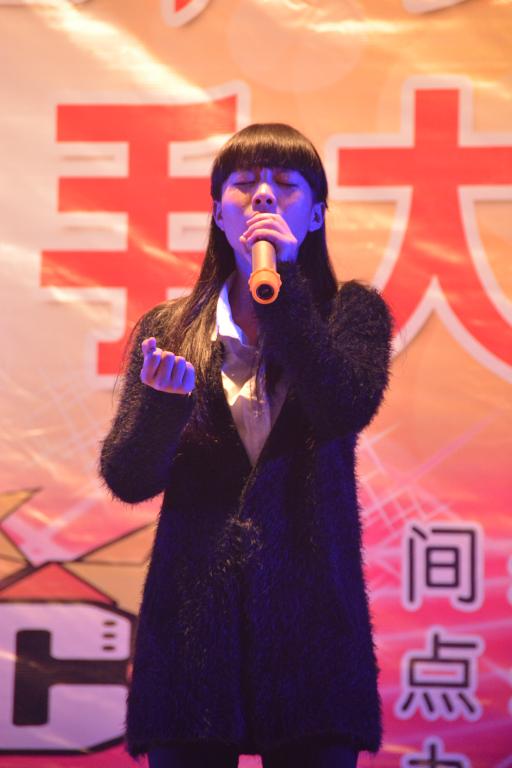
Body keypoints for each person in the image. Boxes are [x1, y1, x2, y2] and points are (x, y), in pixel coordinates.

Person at [99, 123, 395, 768]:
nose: (263, 196)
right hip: (191, 630)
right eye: (243, 184)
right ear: (217, 211)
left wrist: (283, 290)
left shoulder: (352, 313)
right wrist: (164, 408)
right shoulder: (171, 328)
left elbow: (343, 406)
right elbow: (128, 477)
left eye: (285, 184)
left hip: (314, 626)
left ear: (315, 214)